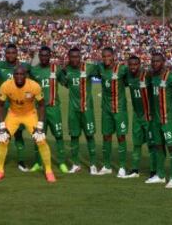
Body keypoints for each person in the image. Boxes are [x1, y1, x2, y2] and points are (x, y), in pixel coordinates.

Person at [0, 66, 56, 183]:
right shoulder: (6, 85)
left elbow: (41, 105)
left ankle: (48, 171)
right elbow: (0, 106)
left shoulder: (34, 86)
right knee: (3, 139)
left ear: (26, 75)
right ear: (13, 75)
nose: (19, 77)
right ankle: (0, 171)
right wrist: (2, 126)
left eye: (22, 74)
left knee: (41, 139)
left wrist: (40, 125)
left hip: (30, 114)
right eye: (17, 74)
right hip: (13, 115)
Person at [59, 47, 100, 175]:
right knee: (74, 136)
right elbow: (64, 82)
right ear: (69, 58)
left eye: (77, 56)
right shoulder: (67, 70)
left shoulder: (89, 68)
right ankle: (76, 164)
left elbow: (103, 70)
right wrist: (64, 68)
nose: (75, 59)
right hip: (73, 110)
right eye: (72, 57)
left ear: (80, 57)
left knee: (90, 135)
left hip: (87, 109)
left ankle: (93, 165)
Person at [0, 44, 29, 172]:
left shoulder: (23, 67)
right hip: (3, 106)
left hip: (18, 107)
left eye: (13, 53)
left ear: (17, 54)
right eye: (8, 53)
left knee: (18, 134)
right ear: (5, 54)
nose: (10, 55)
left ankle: (21, 162)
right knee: (1, 134)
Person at [29, 46, 68, 173]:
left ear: (50, 56)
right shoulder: (34, 71)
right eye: (42, 55)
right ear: (39, 56)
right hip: (39, 110)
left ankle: (62, 162)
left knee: (59, 135)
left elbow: (65, 83)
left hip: (53, 108)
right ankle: (38, 163)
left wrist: (65, 72)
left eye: (47, 55)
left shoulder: (55, 69)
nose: (44, 57)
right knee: (38, 137)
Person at [145, 53, 172, 189]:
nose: (154, 64)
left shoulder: (171, 77)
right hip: (156, 120)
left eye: (157, 61)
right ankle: (160, 175)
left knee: (171, 147)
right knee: (158, 146)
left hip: (168, 120)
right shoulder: (152, 77)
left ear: (163, 62)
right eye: (152, 61)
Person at [98, 47, 129, 178]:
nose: (106, 59)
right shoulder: (99, 68)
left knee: (121, 136)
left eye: (108, 56)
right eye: (104, 56)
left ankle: (122, 167)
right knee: (106, 136)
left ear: (113, 56)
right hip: (106, 109)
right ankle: (106, 166)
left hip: (119, 109)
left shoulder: (121, 69)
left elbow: (131, 78)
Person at [124, 55, 157, 179]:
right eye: (130, 65)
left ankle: (154, 171)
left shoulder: (147, 75)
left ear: (140, 64)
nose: (133, 67)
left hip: (148, 116)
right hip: (136, 115)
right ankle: (134, 170)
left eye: (135, 65)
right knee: (136, 144)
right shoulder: (128, 76)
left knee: (151, 144)